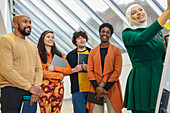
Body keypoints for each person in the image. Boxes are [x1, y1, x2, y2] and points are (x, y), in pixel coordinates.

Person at [122, 1, 170, 112]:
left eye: (140, 9)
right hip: (143, 77)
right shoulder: (128, 34)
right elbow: (144, 37)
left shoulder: (158, 34)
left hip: (160, 75)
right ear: (130, 18)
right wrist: (167, 12)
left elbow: (164, 56)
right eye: (134, 12)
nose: (139, 13)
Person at [0, 14, 43, 113]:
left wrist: (36, 88)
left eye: (30, 22)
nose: (28, 25)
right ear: (15, 24)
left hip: (31, 92)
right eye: (25, 21)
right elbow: (6, 70)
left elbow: (38, 69)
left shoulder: (32, 45)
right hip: (12, 91)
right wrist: (30, 87)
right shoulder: (5, 40)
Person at [86, 23, 123, 113]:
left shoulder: (116, 50)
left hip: (111, 85)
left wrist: (104, 89)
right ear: (99, 33)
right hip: (96, 86)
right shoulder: (93, 51)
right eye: (103, 31)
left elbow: (117, 71)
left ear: (110, 35)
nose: (105, 34)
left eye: (107, 32)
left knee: (114, 110)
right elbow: (90, 70)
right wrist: (97, 88)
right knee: (95, 111)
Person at [37, 30, 72, 113]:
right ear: (43, 39)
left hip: (58, 87)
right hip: (44, 87)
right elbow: (40, 72)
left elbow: (69, 70)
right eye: (48, 37)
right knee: (45, 111)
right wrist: (58, 76)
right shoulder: (38, 54)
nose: (51, 39)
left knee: (57, 111)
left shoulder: (59, 55)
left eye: (52, 37)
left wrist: (55, 68)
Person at [66, 31, 91, 113]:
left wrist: (89, 68)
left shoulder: (93, 53)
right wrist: (74, 70)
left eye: (83, 37)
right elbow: (65, 71)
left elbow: (101, 69)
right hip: (77, 90)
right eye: (78, 38)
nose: (81, 39)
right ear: (75, 41)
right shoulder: (70, 55)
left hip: (92, 89)